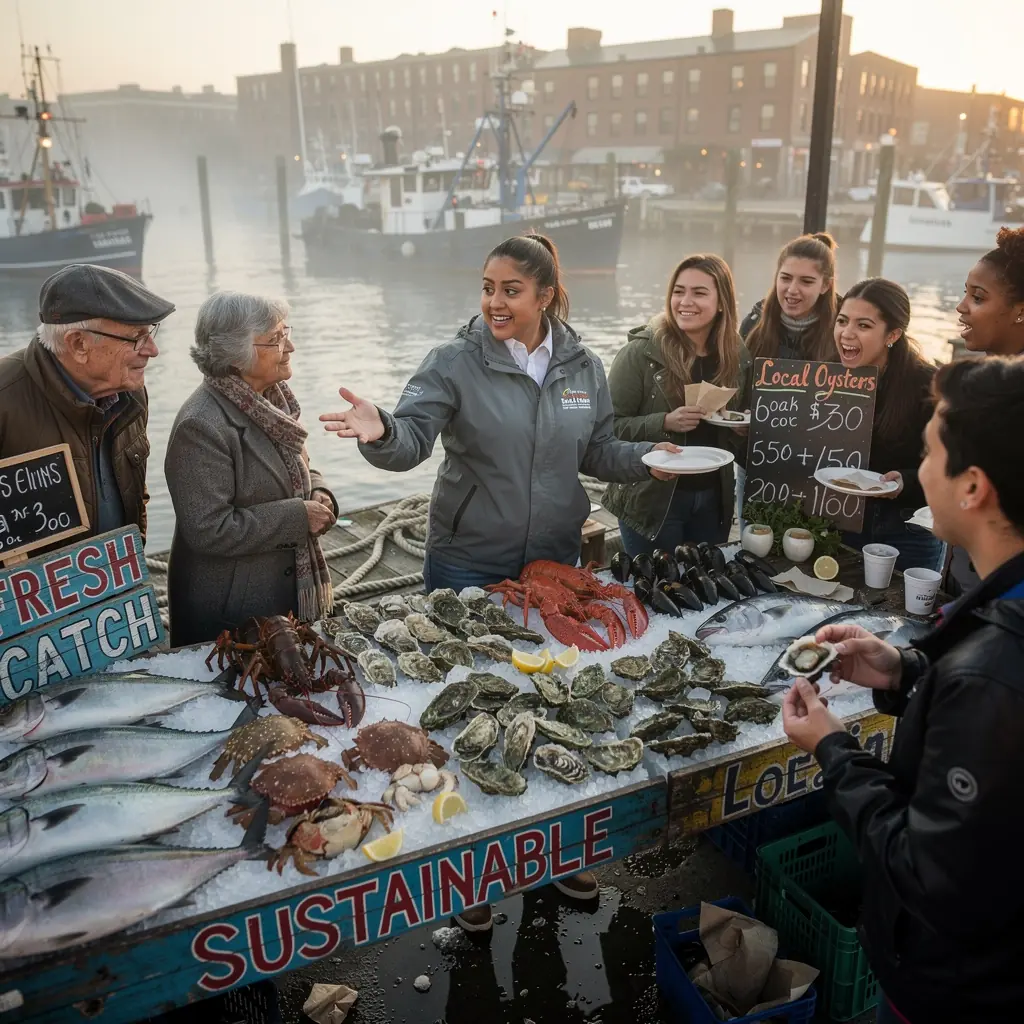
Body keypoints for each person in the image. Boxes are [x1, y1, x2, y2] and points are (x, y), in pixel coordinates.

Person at [320, 234, 677, 927]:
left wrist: (647, 458)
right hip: (468, 562)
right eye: (487, 287)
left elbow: (598, 448)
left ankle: (562, 854)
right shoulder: (454, 362)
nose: (493, 302)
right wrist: (379, 431)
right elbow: (412, 439)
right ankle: (474, 874)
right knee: (462, 711)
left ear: (545, 295)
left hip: (552, 563)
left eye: (510, 289)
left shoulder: (582, 365)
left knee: (555, 703)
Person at [782, 356, 1024, 1024]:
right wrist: (905, 671)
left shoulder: (991, 676)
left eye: (928, 452)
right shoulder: (1004, 604)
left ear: (972, 486)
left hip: (963, 991)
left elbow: (927, 873)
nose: (919, 471)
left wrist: (832, 749)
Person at [164, 292, 337, 648]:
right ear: (235, 354)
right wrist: (297, 517)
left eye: (285, 332)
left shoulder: (272, 402)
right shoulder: (201, 425)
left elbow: (298, 466)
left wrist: (318, 491)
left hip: (279, 603)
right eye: (276, 339)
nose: (291, 346)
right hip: (232, 617)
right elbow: (209, 529)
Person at [0, 263, 172, 548]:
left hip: (113, 583)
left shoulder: (129, 394)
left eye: (150, 332)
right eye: (136, 337)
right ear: (79, 344)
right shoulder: (5, 401)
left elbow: (134, 494)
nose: (152, 350)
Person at [603, 254, 750, 556]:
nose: (685, 301)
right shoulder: (640, 353)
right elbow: (606, 430)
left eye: (699, 292)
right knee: (655, 590)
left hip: (713, 499)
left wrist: (739, 428)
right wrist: (664, 422)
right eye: (678, 291)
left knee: (706, 591)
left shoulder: (736, 354)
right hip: (651, 499)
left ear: (722, 302)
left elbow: (733, 435)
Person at [832, 278, 943, 572]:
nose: (846, 333)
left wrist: (906, 481)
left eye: (863, 325)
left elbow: (953, 466)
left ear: (892, 334)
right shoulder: (824, 376)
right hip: (841, 520)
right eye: (842, 321)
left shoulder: (928, 385)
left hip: (908, 529)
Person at [734, 232, 839, 527]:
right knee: (755, 551)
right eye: (786, 278)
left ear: (826, 284)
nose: (792, 290)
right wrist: (740, 418)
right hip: (758, 463)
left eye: (806, 281)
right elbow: (739, 389)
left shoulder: (843, 328)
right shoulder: (755, 322)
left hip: (818, 466)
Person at [948, 225, 1024, 593]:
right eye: (965, 294)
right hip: (962, 581)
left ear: (1019, 311)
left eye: (978, 298)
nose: (962, 307)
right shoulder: (986, 381)